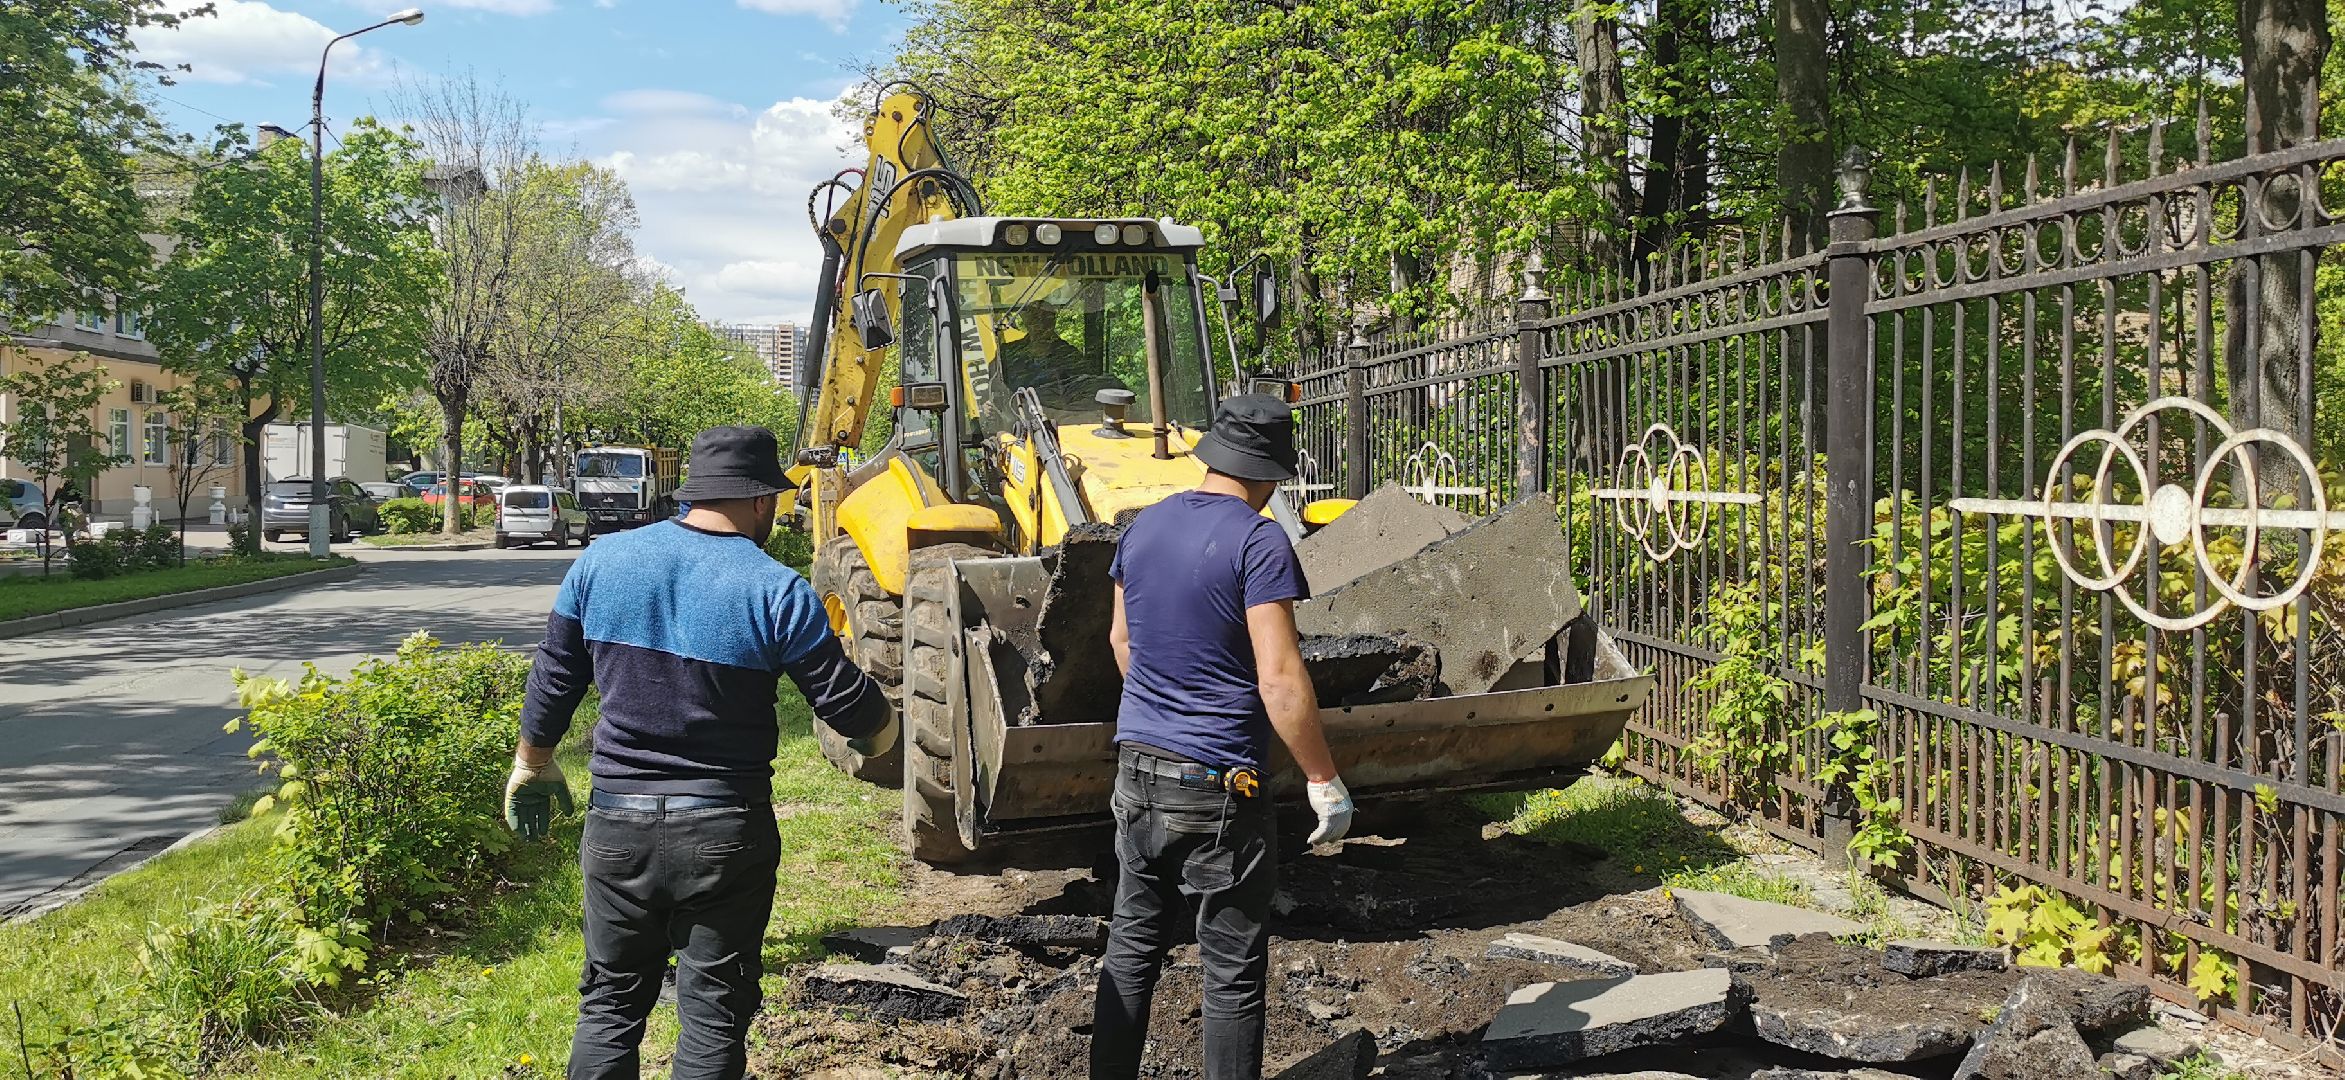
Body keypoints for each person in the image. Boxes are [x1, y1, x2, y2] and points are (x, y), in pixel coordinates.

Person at [502, 425, 896, 1080]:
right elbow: (851, 710)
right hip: (723, 831)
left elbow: (553, 678)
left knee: (609, 1002)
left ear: (693, 494)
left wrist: (531, 763)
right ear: (762, 502)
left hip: (616, 827)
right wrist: (884, 737)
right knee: (713, 1008)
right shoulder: (776, 591)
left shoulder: (600, 564)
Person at [1090, 394, 1356, 1079]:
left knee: (1132, 944)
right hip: (1217, 789)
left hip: (1138, 772)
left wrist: (1164, 709)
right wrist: (1323, 780)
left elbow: (1123, 640)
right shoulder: (1257, 539)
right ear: (1268, 473)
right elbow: (1279, 679)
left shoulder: (1141, 528)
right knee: (1231, 968)